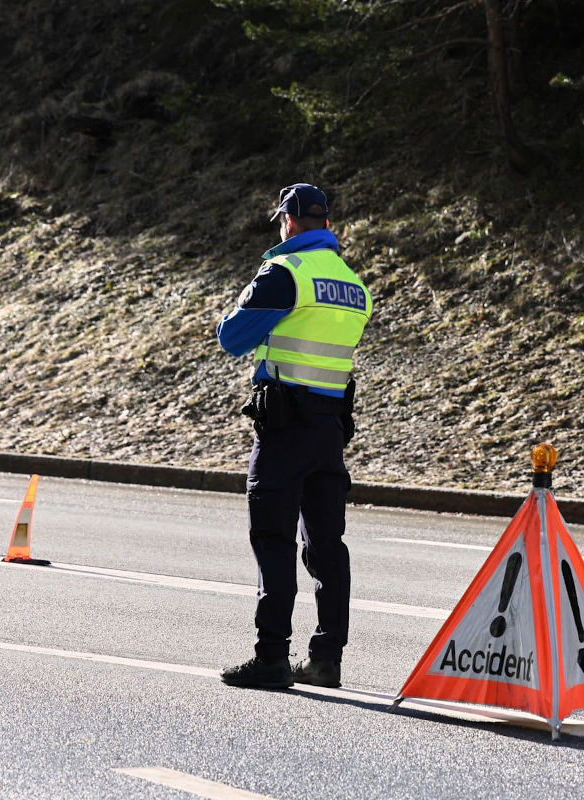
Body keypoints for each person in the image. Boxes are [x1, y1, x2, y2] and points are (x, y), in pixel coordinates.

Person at [216, 183, 373, 690]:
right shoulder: (353, 284)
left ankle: (271, 658)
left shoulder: (285, 272)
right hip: (330, 428)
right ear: (326, 223)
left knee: (273, 539)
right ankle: (326, 660)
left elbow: (232, 338)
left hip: (284, 427)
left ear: (288, 223)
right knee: (327, 546)